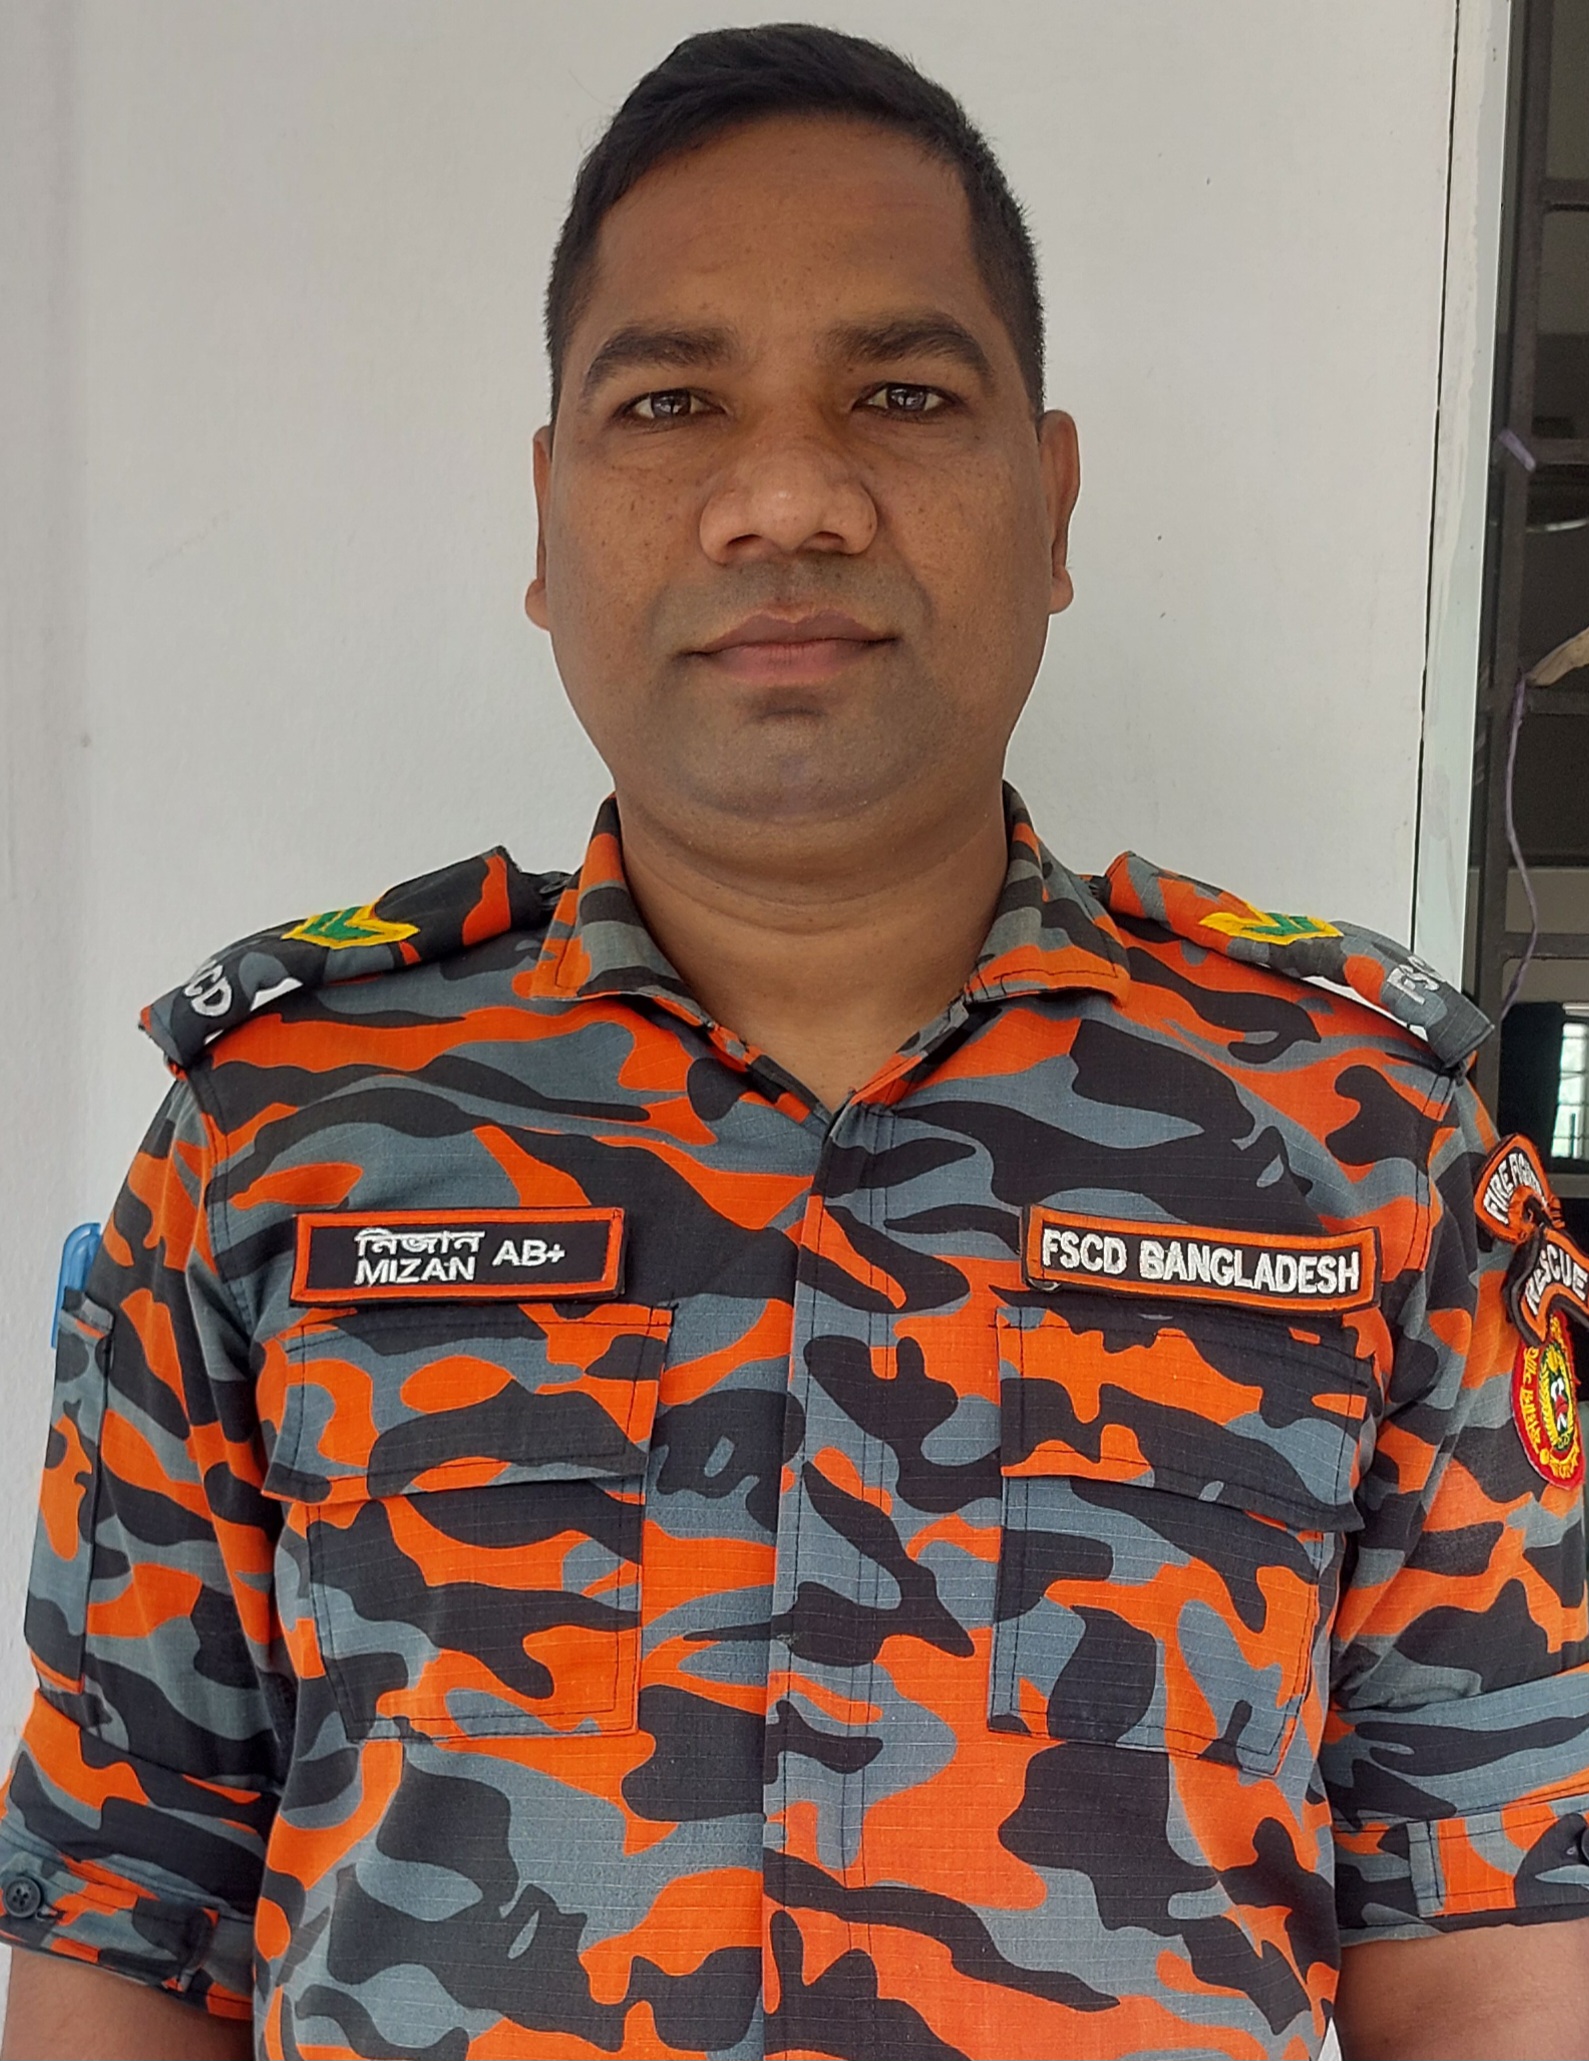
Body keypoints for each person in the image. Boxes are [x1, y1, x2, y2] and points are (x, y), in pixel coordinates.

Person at [4, 22, 1589, 2061]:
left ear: (1053, 500)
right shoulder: (278, 1134)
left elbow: (1490, 1945)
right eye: (671, 402)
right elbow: (124, 1924)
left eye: (901, 394)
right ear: (546, 515)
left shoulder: (1367, 1140)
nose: (785, 497)